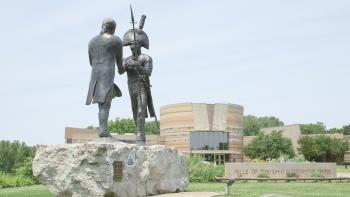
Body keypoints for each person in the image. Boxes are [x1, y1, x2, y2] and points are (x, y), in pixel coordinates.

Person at [86, 18, 124, 137]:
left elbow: (91, 62)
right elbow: (120, 65)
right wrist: (124, 68)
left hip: (95, 73)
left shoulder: (91, 42)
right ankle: (103, 130)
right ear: (113, 29)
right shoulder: (116, 41)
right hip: (107, 73)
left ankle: (103, 128)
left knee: (101, 104)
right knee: (106, 103)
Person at [123, 27, 155, 144]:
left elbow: (148, 72)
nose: (132, 47)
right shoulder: (126, 59)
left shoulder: (146, 58)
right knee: (135, 110)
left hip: (142, 85)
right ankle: (138, 133)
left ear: (140, 45)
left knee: (141, 110)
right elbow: (120, 70)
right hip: (131, 86)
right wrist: (126, 65)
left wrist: (137, 65)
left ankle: (140, 137)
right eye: (130, 45)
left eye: (134, 44)